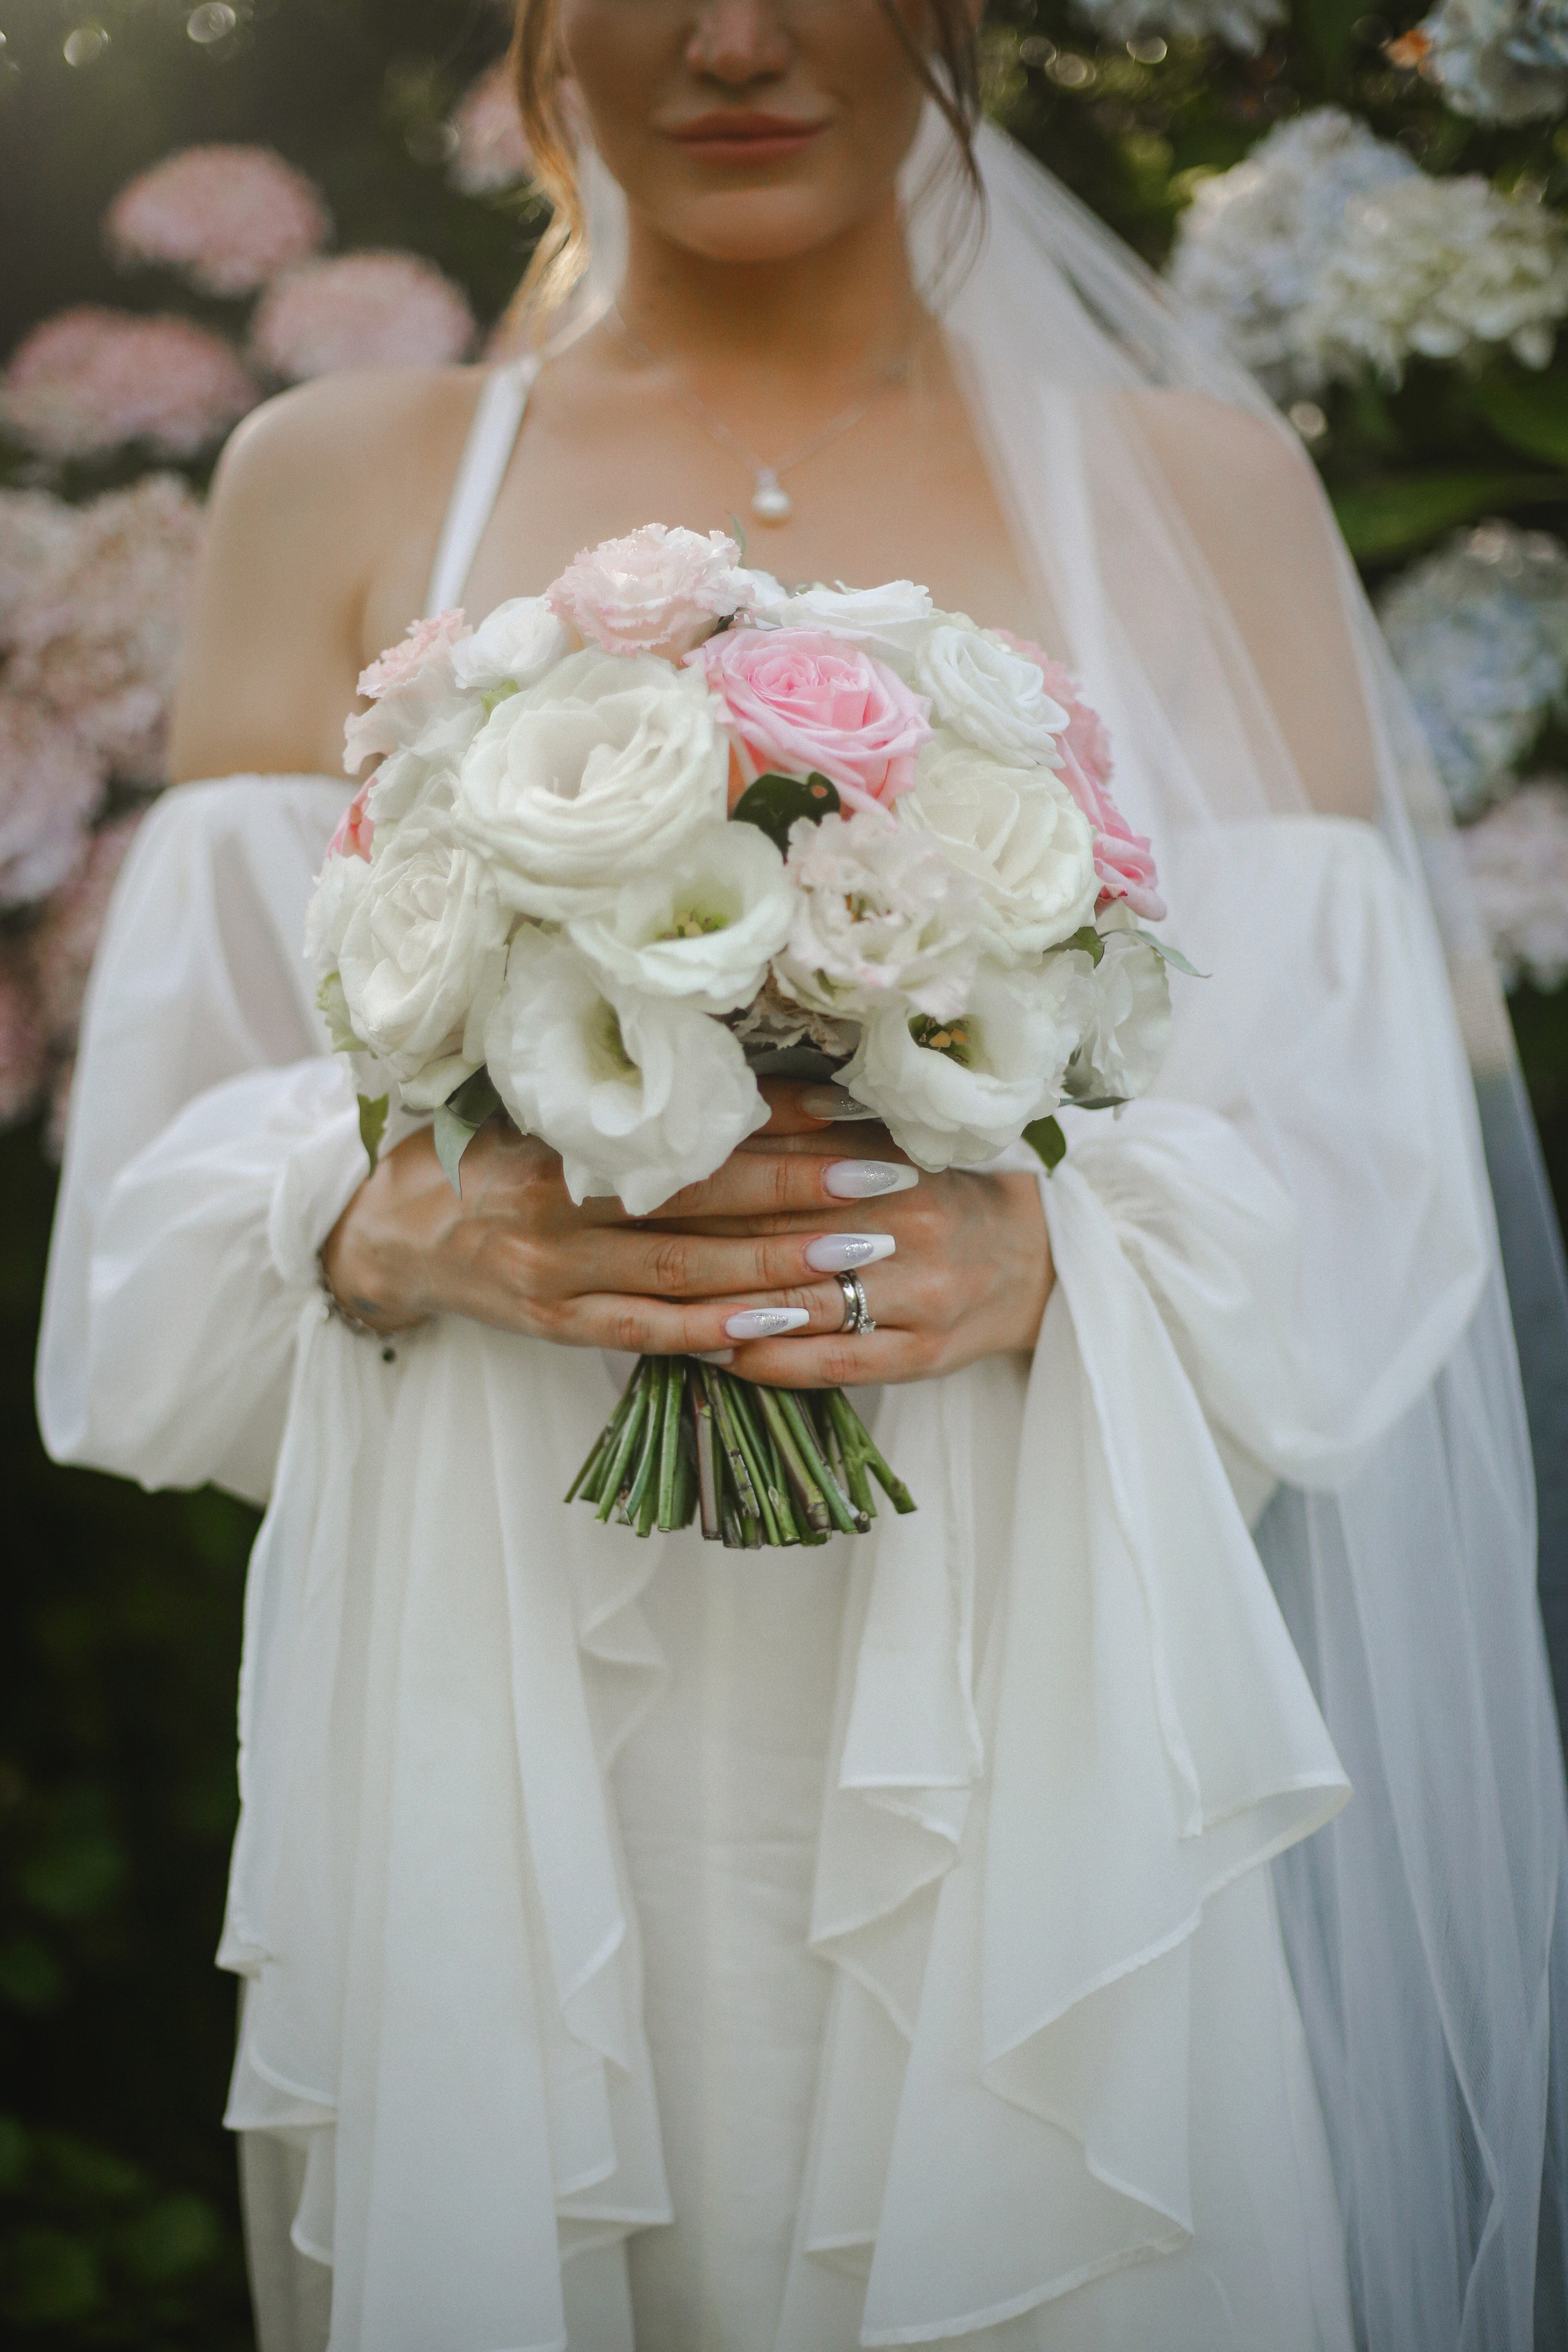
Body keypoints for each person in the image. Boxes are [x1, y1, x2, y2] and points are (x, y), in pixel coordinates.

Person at [35, 4, 1568, 2349]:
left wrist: (1059, 1251)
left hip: (1034, 1724)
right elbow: (154, 1221)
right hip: (501, 1687)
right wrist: (374, 1212)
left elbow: (1374, 1194)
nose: (736, 39)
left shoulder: (1197, 487)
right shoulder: (344, 478)